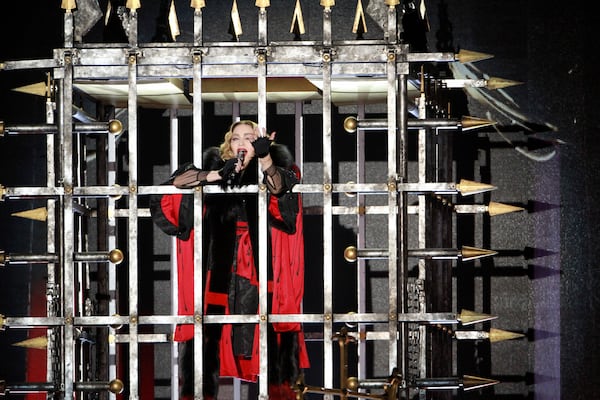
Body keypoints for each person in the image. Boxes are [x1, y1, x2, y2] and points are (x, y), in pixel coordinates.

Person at [150, 120, 309, 399]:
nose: (242, 143)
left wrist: (266, 158)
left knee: (268, 334)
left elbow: (280, 190)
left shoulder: (279, 168)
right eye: (236, 138)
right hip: (219, 267)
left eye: (250, 137)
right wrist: (215, 176)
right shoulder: (211, 169)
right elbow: (175, 185)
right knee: (210, 336)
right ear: (229, 145)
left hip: (263, 267)